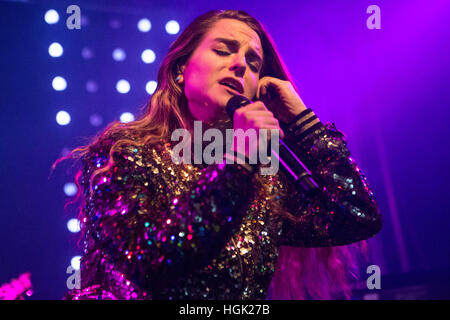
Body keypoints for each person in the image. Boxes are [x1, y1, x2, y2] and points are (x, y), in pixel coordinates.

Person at [55, 10, 382, 300]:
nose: (240, 64)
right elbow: (153, 261)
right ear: (181, 70)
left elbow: (356, 217)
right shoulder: (123, 155)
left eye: (253, 63)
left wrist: (302, 120)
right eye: (223, 50)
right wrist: (238, 160)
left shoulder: (265, 180)